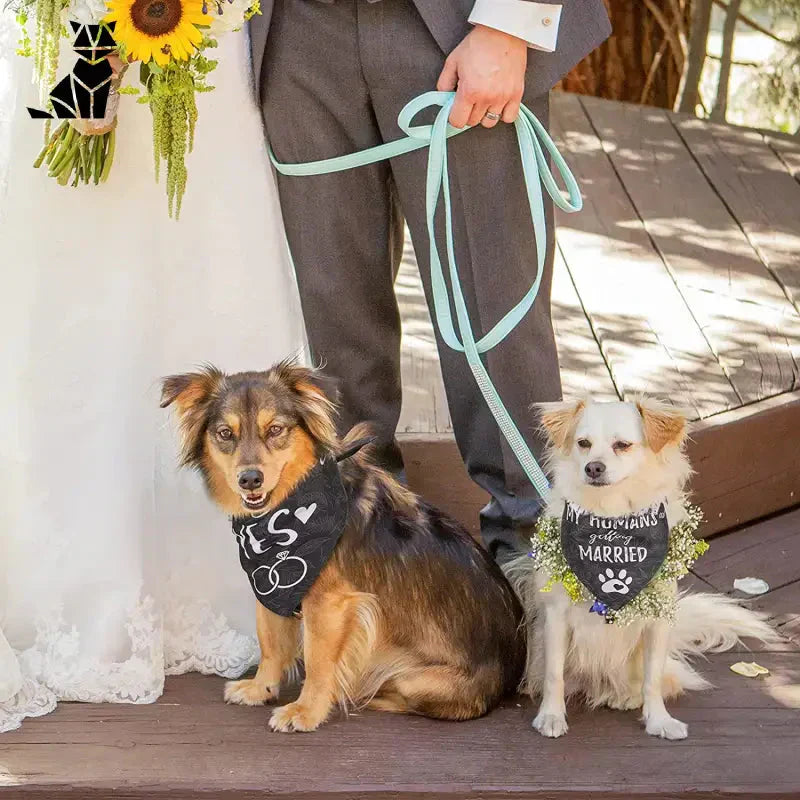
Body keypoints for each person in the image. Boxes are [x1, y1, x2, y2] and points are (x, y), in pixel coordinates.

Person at [0, 16, 305, 730]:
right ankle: (63, 576)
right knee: (71, 294)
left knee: (206, 273)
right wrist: (88, 36)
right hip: (57, 36)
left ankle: (247, 583)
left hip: (203, 44)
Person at [252, 0, 611, 560]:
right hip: (293, 33)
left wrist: (509, 24)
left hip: (458, 23)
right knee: (330, 318)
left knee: (494, 312)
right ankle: (368, 569)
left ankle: (537, 571)